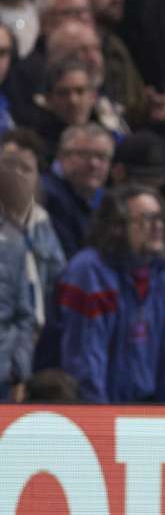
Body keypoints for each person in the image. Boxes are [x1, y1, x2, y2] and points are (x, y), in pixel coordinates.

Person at [57, 184, 165, 404]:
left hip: (145, 411)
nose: (158, 226)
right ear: (117, 227)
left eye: (160, 218)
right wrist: (98, 421)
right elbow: (86, 361)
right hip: (96, 408)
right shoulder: (89, 272)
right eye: (147, 219)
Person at [0, 130, 65, 401]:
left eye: (25, 168)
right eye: (7, 165)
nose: (15, 174)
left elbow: (54, 283)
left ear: (38, 177)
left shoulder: (43, 224)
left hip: (34, 352)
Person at [41, 123, 113, 257]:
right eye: (84, 155)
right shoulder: (48, 195)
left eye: (102, 157)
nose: (94, 164)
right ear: (61, 156)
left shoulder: (105, 199)